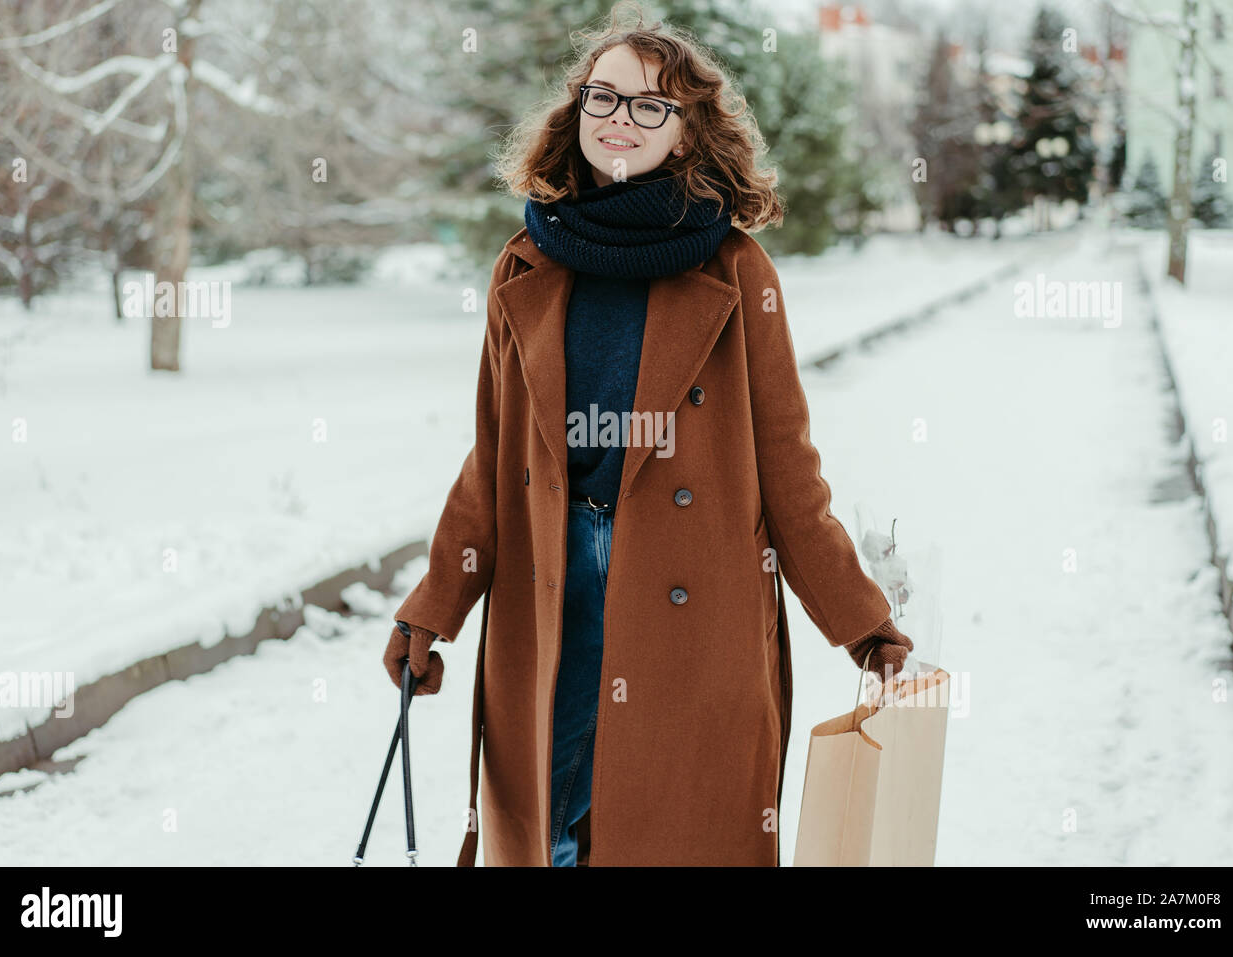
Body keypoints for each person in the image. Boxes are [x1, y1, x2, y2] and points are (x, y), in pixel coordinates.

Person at [383, 3, 913, 867]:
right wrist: (432, 609)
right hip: (547, 580)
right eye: (604, 97)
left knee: (671, 824)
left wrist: (862, 623)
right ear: (576, 111)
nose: (620, 119)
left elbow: (786, 467)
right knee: (553, 816)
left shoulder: (738, 271)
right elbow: (493, 459)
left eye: (649, 105)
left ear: (687, 131)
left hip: (693, 594)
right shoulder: (526, 262)